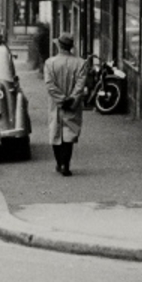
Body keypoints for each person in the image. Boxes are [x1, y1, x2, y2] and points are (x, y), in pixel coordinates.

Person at [44, 32, 88, 177]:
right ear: (71, 47)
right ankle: (66, 164)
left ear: (59, 45)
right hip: (73, 106)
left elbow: (50, 85)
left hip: (56, 105)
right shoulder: (81, 63)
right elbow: (80, 85)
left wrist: (61, 99)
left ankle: (59, 163)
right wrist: (72, 99)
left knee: (55, 132)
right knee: (70, 133)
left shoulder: (50, 63)